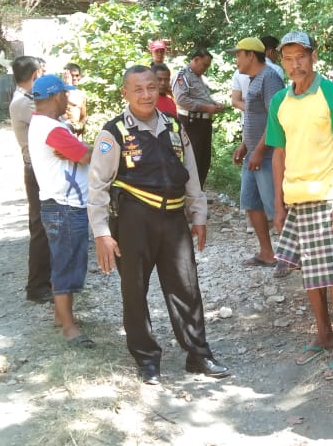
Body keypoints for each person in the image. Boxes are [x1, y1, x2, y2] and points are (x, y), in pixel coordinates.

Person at [88, 65, 230, 385]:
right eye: (137, 89)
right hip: (134, 220)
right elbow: (97, 186)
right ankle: (147, 359)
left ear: (159, 89)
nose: (146, 94)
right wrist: (101, 234)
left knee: (186, 287)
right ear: (124, 93)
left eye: (151, 87)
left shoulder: (174, 127)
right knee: (135, 291)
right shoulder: (115, 133)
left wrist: (199, 216)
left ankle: (198, 354)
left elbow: (191, 175)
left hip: (174, 219)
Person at [267, 31, 333, 378]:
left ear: (313, 56)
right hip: (296, 197)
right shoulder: (280, 101)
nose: (296, 64)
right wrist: (278, 204)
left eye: (301, 56)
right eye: (289, 58)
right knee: (311, 272)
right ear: (282, 62)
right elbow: (278, 153)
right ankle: (323, 335)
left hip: (327, 194)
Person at [27, 74, 93, 346]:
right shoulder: (51, 129)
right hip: (65, 205)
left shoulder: (47, 125)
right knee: (67, 265)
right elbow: (87, 156)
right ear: (56, 97)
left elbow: (80, 152)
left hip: (61, 204)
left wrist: (81, 148)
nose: (68, 98)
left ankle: (61, 316)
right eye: (65, 94)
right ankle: (69, 327)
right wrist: (86, 149)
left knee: (63, 261)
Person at [226, 37, 286, 269]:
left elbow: (276, 118)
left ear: (251, 55)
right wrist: (245, 145)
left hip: (269, 155)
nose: (236, 60)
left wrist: (260, 150)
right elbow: (254, 117)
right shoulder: (253, 79)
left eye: (239, 54)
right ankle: (266, 253)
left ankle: (293, 256)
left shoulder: (270, 77)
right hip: (253, 153)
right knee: (251, 202)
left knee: (276, 205)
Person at [8, 56, 52, 304]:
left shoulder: (26, 100)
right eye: (42, 72)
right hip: (37, 168)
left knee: (46, 225)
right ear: (36, 74)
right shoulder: (24, 103)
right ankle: (37, 285)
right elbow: (54, 118)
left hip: (40, 166)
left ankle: (46, 281)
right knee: (40, 227)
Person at [173, 49, 228, 188]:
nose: (205, 69)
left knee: (204, 160)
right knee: (193, 159)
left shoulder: (198, 77)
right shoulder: (183, 75)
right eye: (204, 65)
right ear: (196, 59)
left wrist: (214, 105)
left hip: (204, 123)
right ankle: (188, 194)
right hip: (191, 123)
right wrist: (206, 108)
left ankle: (198, 192)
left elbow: (202, 97)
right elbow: (181, 100)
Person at [61, 63, 88, 137]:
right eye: (72, 76)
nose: (75, 78)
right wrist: (68, 85)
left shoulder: (81, 95)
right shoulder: (58, 93)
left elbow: (83, 117)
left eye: (77, 75)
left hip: (75, 135)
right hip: (62, 134)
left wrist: (79, 126)